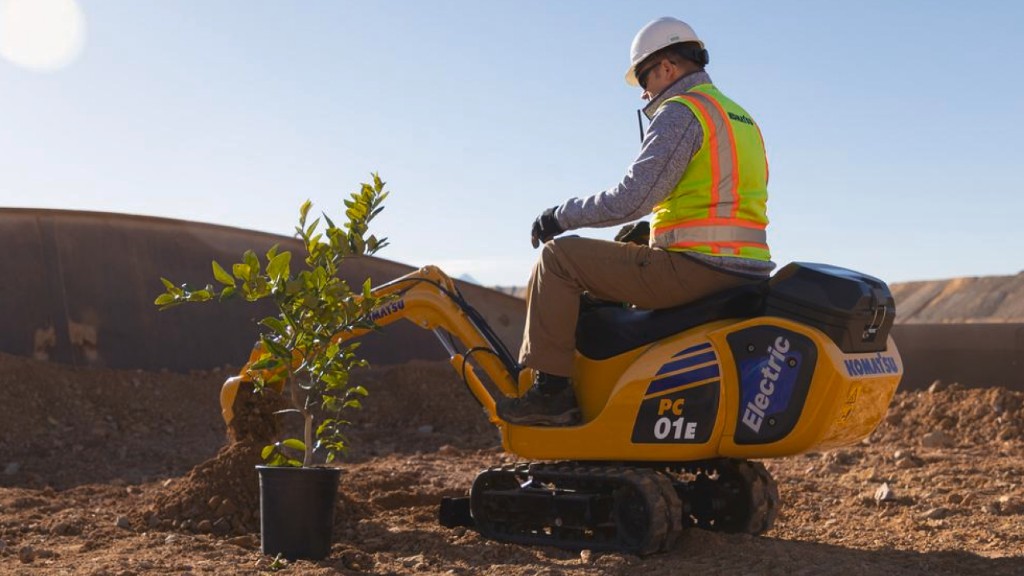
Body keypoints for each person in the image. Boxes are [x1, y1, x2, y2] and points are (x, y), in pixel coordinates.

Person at [496, 17, 776, 426]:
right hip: (745, 271)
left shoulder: (682, 111)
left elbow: (634, 197)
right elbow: (717, 196)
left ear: (668, 66)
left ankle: (552, 393)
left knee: (559, 259)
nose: (645, 93)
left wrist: (561, 216)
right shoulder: (740, 117)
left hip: (696, 270)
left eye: (645, 78)